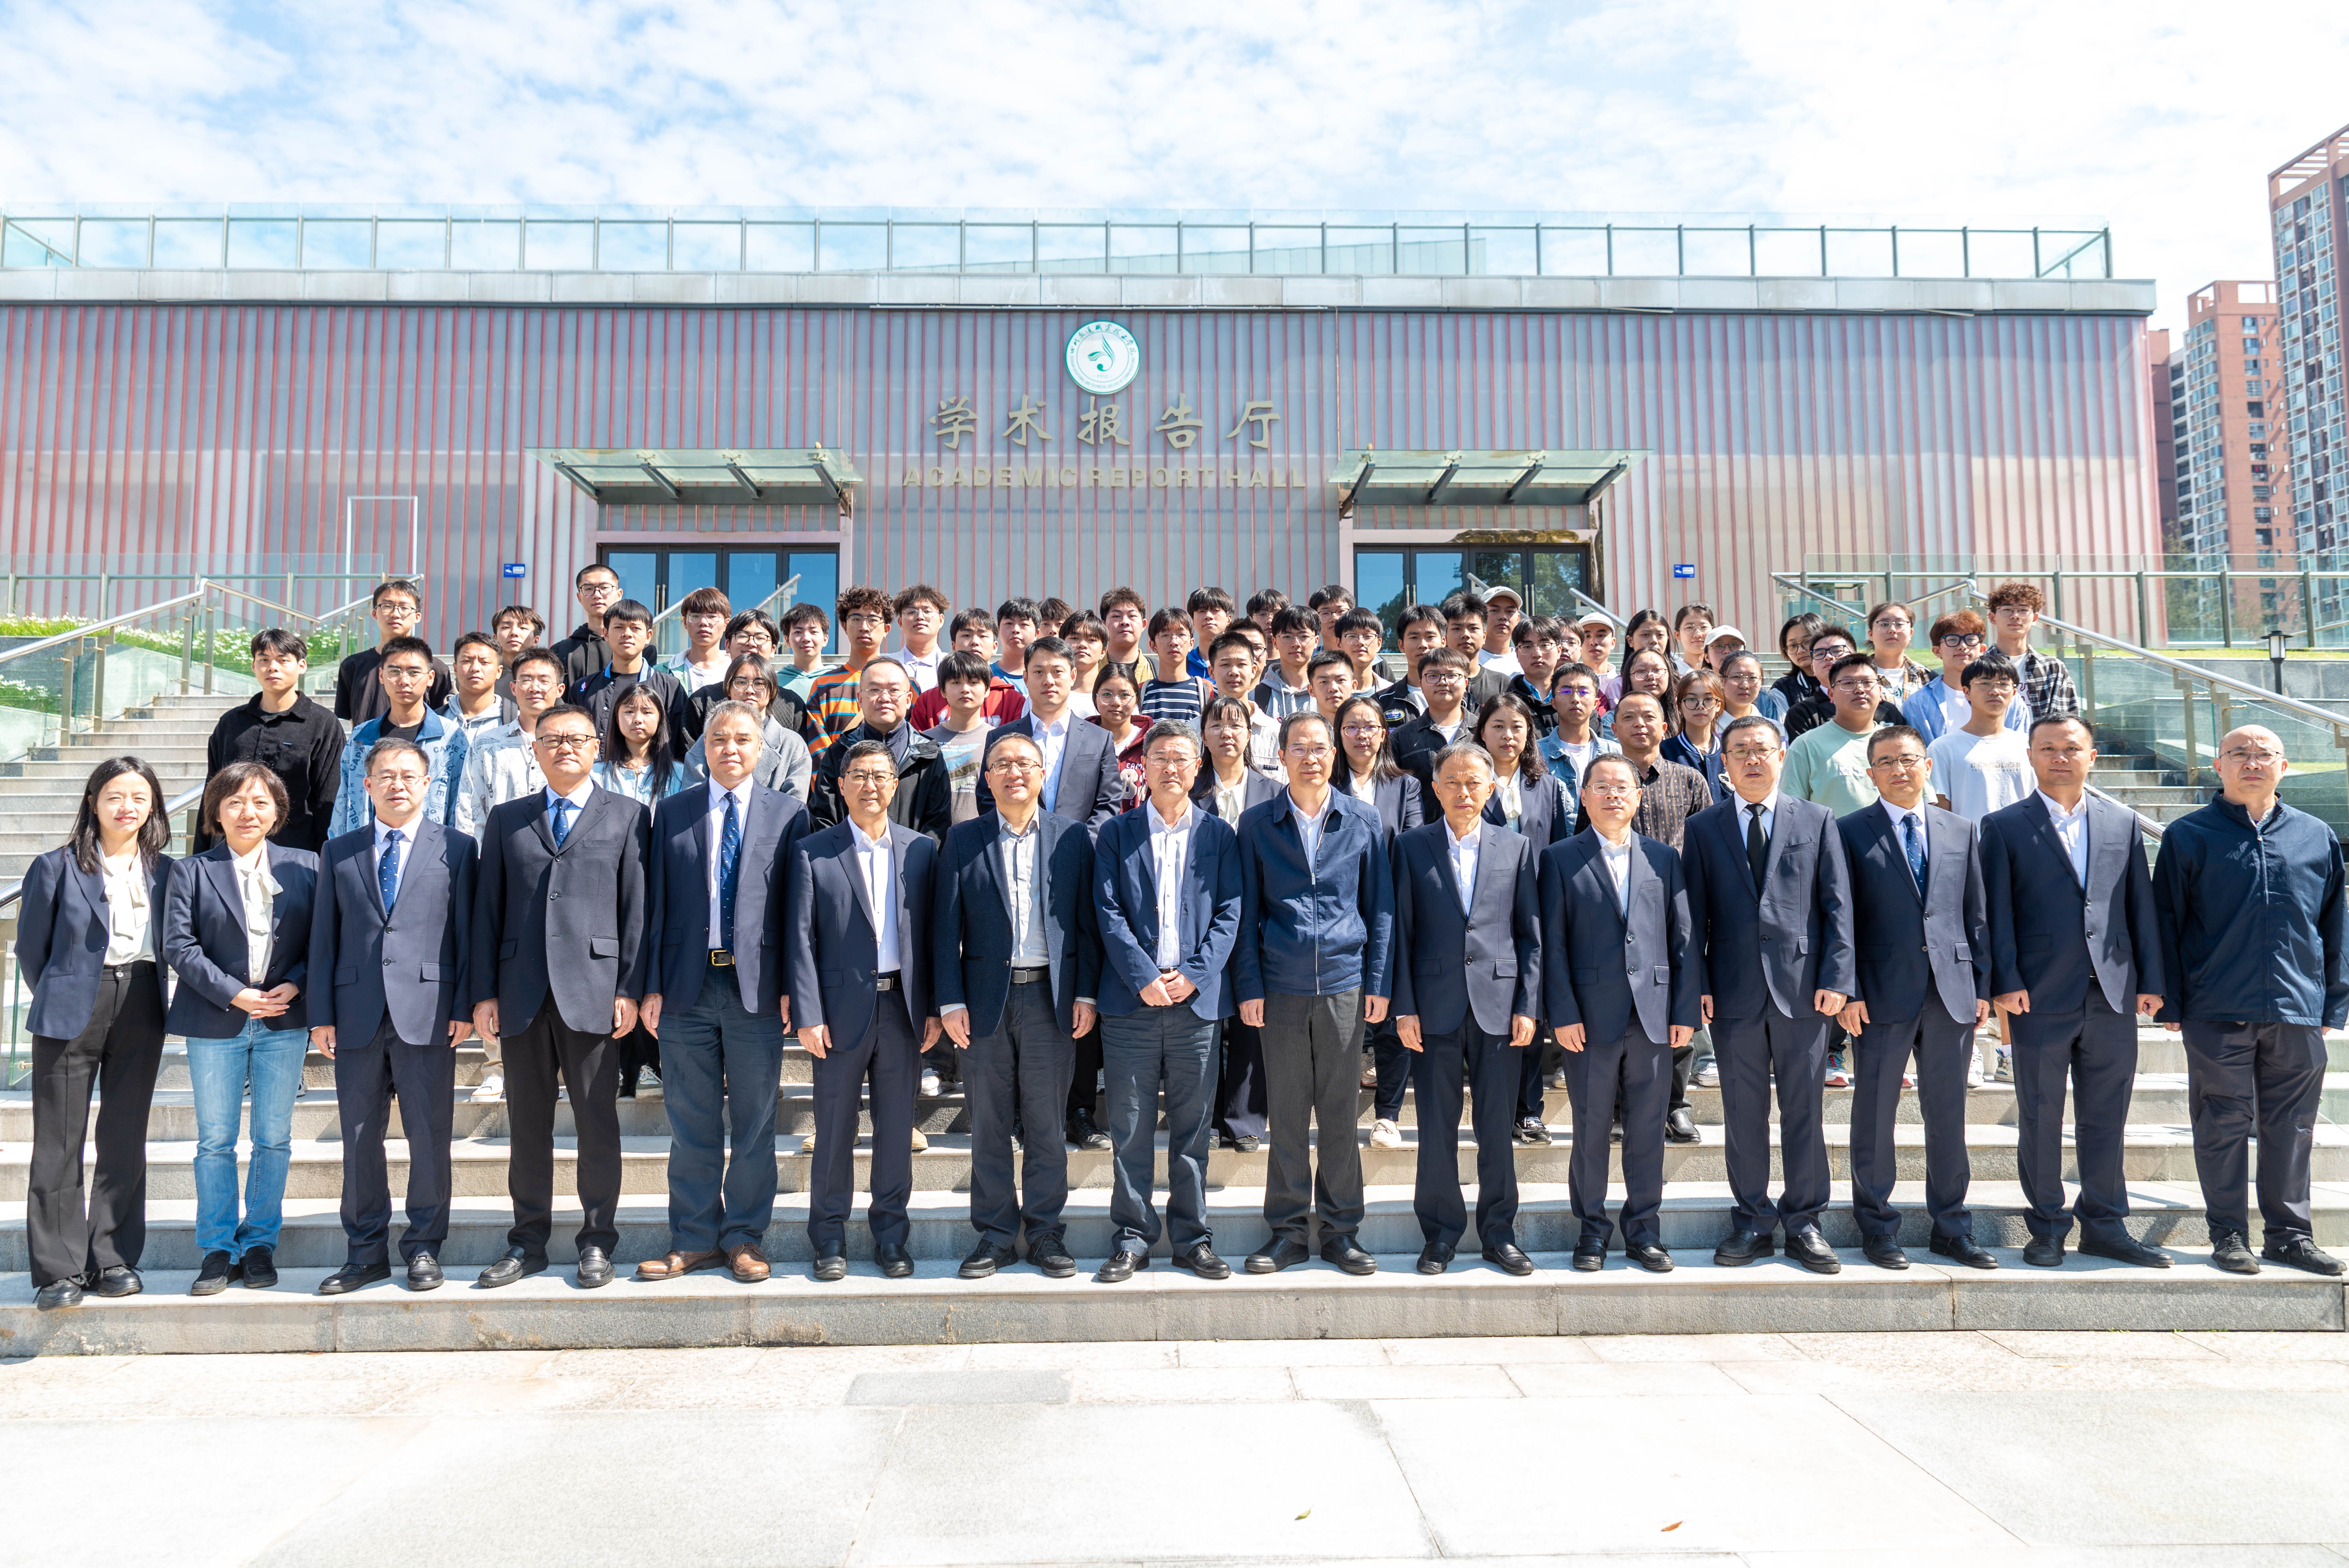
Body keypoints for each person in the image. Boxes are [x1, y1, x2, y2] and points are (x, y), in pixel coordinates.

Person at [2153, 724, 2349, 1277]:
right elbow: (2166, 922)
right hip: (2215, 1005)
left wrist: (2332, 1003)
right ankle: (2228, 1234)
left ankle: (2289, 1236)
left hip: (2296, 1005)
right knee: (2221, 1122)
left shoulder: (2315, 835)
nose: (2252, 762)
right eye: (2239, 753)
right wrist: (2171, 1001)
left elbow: (2334, 924)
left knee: (2294, 1125)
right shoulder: (2189, 835)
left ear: (2283, 766)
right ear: (2218, 765)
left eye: (2264, 754)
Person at [469, 703, 650, 1291]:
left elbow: (636, 909)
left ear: (598, 746)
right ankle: (527, 1242)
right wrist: (484, 993)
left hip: (594, 993)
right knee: (527, 1126)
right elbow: (487, 909)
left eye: (576, 738)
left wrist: (628, 987)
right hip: (520, 992)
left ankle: (597, 1241)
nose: (564, 747)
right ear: (535, 750)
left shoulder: (628, 815)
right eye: (552, 739)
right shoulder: (507, 818)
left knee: (597, 1123)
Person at [1980, 715, 2170, 1269]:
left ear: (2092, 756)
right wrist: (2005, 980)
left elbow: (2139, 903)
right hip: (2037, 994)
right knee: (2040, 1114)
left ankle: (2105, 1225)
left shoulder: (2121, 820)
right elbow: (1995, 911)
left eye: (2071, 747)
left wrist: (2151, 980)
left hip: (2112, 991)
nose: (2059, 757)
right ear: (2030, 756)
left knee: (2107, 1116)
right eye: (2047, 748)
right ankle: (2046, 1227)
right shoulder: (2003, 826)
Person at [636, 701, 811, 1284]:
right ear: (703, 748)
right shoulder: (673, 811)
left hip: (755, 989)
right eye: (718, 739)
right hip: (685, 987)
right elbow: (655, 906)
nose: (730, 748)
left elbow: (797, 911)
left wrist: (792, 987)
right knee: (691, 1121)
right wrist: (651, 984)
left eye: (742, 739)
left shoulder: (789, 814)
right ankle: (692, 1238)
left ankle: (743, 1237)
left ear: (761, 748)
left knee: (755, 1121)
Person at [1682, 715, 1854, 1273]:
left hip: (1803, 991)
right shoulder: (1703, 827)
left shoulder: (1817, 818)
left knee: (1804, 1110)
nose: (1751, 759)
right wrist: (1698, 984)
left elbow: (1837, 904)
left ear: (1782, 756)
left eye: (1761, 749)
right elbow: (1691, 917)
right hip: (1732, 991)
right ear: (1724, 762)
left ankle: (1804, 1222)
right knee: (1742, 1113)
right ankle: (1752, 1219)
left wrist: (1836, 977)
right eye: (1739, 751)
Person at [308, 737, 477, 1293]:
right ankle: (364, 1252)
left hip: (429, 1011)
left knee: (429, 1135)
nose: (397, 784)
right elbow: (324, 937)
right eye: (385, 775)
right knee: (359, 1138)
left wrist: (463, 1005)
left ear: (428, 784)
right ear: (367, 785)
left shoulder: (457, 847)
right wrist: (321, 1013)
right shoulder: (340, 850)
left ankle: (424, 1245)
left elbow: (466, 934)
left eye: (408, 775)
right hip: (355, 1011)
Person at [1234, 711, 1394, 1276]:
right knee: (1285, 1113)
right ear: (1280, 755)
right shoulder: (1257, 823)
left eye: (1320, 747)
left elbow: (1380, 907)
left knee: (1339, 1114)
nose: (1310, 757)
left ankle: (1341, 1231)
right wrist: (1249, 984)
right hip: (1280, 985)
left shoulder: (1363, 819)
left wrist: (1378, 982)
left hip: (1346, 984)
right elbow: (1244, 910)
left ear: (1334, 753)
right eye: (1298, 747)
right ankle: (1286, 1232)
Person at [935, 733, 1101, 1281]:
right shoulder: (963, 839)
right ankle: (996, 1234)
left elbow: (1086, 924)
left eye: (1025, 763)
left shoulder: (1072, 837)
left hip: (1051, 998)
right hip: (985, 1000)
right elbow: (945, 927)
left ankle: (1047, 1231)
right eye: (1002, 764)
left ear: (1042, 773)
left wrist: (1085, 993)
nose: (1014, 772)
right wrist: (950, 999)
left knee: (1047, 1122)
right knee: (988, 1122)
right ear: (987, 777)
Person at [1835, 727, 1998, 1271]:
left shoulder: (1961, 829)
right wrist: (1850, 989)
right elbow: (1841, 917)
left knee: (1948, 1114)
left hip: (1951, 992)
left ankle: (1952, 1228)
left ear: (1927, 766)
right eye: (1886, 762)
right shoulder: (1847, 831)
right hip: (1880, 993)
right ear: (1870, 773)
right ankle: (1877, 1227)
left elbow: (1976, 913)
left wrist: (1981, 986)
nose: (1899, 769)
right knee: (1874, 1113)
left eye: (1908, 759)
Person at [1089, 721, 1243, 1281]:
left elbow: (1230, 911)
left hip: (1194, 1006)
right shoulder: (1117, 832)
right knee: (1129, 1128)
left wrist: (1195, 975)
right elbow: (1107, 911)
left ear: (1197, 766)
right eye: (1160, 757)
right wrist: (1142, 976)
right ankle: (1132, 1237)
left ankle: (1192, 1239)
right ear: (1143, 767)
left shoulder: (1219, 835)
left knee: (1192, 1129)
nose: (1170, 767)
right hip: (1131, 1005)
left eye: (1181, 757)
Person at [784, 737, 942, 1281]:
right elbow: (800, 938)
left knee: (896, 1129)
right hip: (837, 1011)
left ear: (895, 786)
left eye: (880, 776)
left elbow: (933, 935)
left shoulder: (920, 850)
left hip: (902, 1007)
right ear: (841, 785)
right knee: (833, 1128)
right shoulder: (813, 850)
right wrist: (807, 1012)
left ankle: (891, 1235)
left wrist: (934, 1007)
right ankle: (829, 1236)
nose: (870, 785)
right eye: (859, 775)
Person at [20, 759, 174, 1310]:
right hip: (70, 1009)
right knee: (59, 1140)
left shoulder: (167, 870)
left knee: (124, 1135)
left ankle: (113, 1256)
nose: (126, 806)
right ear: (93, 801)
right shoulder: (55, 866)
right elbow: (32, 950)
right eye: (114, 795)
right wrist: (66, 991)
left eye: (138, 796)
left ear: (153, 805)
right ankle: (58, 1268)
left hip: (142, 1001)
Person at [161, 763, 319, 1295]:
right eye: (234, 802)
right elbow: (179, 945)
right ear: (216, 811)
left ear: (277, 812)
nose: (247, 812)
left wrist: (295, 984)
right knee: (215, 1141)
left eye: (259, 802)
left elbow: (323, 940)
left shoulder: (306, 866)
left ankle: (259, 1244)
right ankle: (217, 1247)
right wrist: (234, 991)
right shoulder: (191, 871)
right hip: (215, 1019)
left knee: (273, 1138)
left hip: (283, 1019)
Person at [1541, 752, 1699, 1273]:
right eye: (1601, 786)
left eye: (1622, 787)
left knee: (1647, 1128)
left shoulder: (1663, 857)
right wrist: (1562, 1013)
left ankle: (1644, 1231)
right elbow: (1552, 945)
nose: (1613, 794)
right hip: (1588, 1019)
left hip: (1653, 1015)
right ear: (1584, 797)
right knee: (1590, 1129)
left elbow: (1682, 939)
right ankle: (1591, 1231)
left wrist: (1683, 1011)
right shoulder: (1559, 858)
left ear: (1638, 796)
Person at [1390, 741, 1542, 1275]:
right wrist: (1404, 1007)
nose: (1463, 791)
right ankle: (1439, 1235)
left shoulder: (1516, 847)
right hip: (1432, 1006)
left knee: (1497, 1126)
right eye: (1451, 782)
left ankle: (1499, 1233)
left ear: (1491, 787)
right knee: (1436, 1126)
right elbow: (1400, 932)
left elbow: (1530, 934)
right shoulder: (1410, 847)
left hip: (1499, 1006)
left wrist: (1528, 1004)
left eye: (1473, 781)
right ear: (1435, 789)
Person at [1334, 693, 1424, 1156]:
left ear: (1383, 733)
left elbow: (1411, 844)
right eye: (1351, 726)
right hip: (1336, 912)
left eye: (1369, 726)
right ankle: (1335, 1113)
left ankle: (1387, 1114)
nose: (1361, 734)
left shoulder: (1404, 786)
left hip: (1391, 911)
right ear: (1338, 733)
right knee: (1341, 1016)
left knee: (1391, 1014)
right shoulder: (1324, 783)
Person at [199, 627, 342, 853]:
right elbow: (212, 793)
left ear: (302, 666)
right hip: (230, 851)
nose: (272, 667)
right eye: (264, 660)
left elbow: (329, 798)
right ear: (254, 666)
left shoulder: (323, 724)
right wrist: (202, 854)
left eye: (283, 660)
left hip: (295, 852)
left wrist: (324, 860)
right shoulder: (231, 723)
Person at [975, 635, 1125, 831]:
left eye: (1057, 672)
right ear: (1026, 678)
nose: (1048, 681)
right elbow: (987, 798)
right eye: (1039, 672)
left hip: (1081, 845)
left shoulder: (1099, 739)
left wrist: (1083, 842)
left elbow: (1108, 802)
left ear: (1073, 676)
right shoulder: (1000, 738)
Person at [329, 635, 467, 838]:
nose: (404, 681)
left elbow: (461, 802)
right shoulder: (361, 737)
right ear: (381, 676)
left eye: (414, 672)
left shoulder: (451, 736)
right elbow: (344, 801)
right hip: (367, 848)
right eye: (394, 672)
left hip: (432, 849)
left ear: (430, 678)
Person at [807, 658, 952, 840]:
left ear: (909, 700)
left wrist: (915, 856)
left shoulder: (928, 754)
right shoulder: (840, 751)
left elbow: (938, 823)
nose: (884, 698)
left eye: (894, 690)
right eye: (874, 690)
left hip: (914, 856)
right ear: (860, 699)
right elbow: (823, 817)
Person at [451, 646, 564, 841]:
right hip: (499, 853)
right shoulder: (486, 744)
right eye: (526, 680)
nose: (535, 688)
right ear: (513, 688)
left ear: (560, 690)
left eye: (544, 680)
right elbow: (469, 810)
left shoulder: (573, 746)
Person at [680, 653, 814, 799]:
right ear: (729, 689)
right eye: (741, 682)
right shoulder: (710, 739)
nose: (750, 690)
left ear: (772, 691)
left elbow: (794, 806)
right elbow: (693, 798)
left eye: (760, 683)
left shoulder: (793, 745)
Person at [1928, 653, 2034, 822]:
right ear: (1967, 692)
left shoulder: (2029, 745)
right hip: (1971, 839)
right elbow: (1940, 816)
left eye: (2004, 684)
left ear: (2014, 693)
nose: (1995, 691)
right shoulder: (1942, 749)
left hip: (2023, 839)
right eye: (1985, 684)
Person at [576, 598, 690, 753]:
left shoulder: (671, 688)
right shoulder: (583, 688)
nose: (627, 634)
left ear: (649, 636)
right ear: (606, 634)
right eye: (619, 627)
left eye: (635, 628)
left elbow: (679, 745)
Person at [1781, 652, 1886, 817]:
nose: (1859, 689)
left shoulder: (1896, 744)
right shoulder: (1806, 746)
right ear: (1831, 695)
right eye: (1848, 683)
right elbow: (1790, 812)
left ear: (1880, 691)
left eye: (1867, 683)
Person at [335, 578, 453, 723]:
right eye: (387, 606)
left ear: (417, 617)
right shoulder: (352, 666)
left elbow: (441, 718)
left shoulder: (436, 669)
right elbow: (353, 720)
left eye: (404, 608)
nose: (395, 614)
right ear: (375, 613)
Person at [1902, 610, 2028, 743]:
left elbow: (2021, 747)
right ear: (1937, 651)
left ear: (1982, 649)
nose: (1962, 646)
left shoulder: (2007, 697)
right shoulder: (1919, 703)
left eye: (1970, 639)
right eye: (1952, 640)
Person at [805, 586, 896, 756]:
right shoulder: (824, 687)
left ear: (886, 629)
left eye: (873, 620)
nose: (864, 627)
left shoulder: (903, 685)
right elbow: (818, 752)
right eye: (856, 619)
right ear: (845, 626)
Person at [908, 610, 1027, 730]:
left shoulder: (1012, 700)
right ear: (953, 646)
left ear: (995, 647)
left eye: (983, 636)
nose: (975, 642)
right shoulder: (928, 701)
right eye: (966, 636)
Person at [1985, 580, 2080, 723]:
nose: (2015, 616)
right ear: (1993, 618)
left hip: (2042, 738)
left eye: (2023, 610)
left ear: (2035, 618)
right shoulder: (1978, 667)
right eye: (2007, 610)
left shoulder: (2053, 668)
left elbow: (2068, 720)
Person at [925, 650, 1001, 825]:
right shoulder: (925, 741)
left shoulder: (998, 741)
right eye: (956, 682)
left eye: (973, 682)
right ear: (943, 690)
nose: (965, 689)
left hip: (983, 834)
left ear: (987, 690)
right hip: (933, 836)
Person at [590, 682, 687, 808]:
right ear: (617, 718)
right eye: (629, 711)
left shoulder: (679, 774)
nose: (638, 719)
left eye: (647, 712)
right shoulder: (596, 774)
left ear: (660, 718)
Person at [1390, 648, 1476, 787]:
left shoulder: (1483, 731)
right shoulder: (1402, 737)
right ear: (1421, 685)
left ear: (1466, 684)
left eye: (1452, 675)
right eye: (1433, 676)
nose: (1442, 682)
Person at [1539, 662, 1620, 798]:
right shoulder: (1536, 754)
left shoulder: (1615, 753)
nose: (1575, 699)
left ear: (1596, 703)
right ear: (1554, 703)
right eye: (1566, 692)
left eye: (1584, 692)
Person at [1372, 604, 1452, 726]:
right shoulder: (1381, 702)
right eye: (1414, 638)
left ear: (1443, 642)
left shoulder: (1462, 698)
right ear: (1401, 646)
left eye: (1430, 637)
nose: (1423, 645)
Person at [1087, 665, 1152, 811]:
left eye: (1124, 695)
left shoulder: (1151, 744)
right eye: (1107, 695)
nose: (1116, 702)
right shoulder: (1081, 741)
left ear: (1136, 699)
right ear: (1095, 698)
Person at [1139, 606, 1212, 727]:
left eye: (1181, 634)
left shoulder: (1207, 693)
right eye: (1165, 635)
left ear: (1191, 644)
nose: (1174, 642)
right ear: (1153, 646)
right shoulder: (1141, 694)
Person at [552, 561, 620, 689]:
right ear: (579, 598)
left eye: (605, 588)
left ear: (619, 595)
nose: (597, 595)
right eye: (589, 589)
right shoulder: (561, 651)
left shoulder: (633, 647)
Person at [442, 630, 517, 743]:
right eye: (466, 661)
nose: (475, 668)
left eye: (485, 662)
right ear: (455, 669)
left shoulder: (516, 722)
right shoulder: (436, 720)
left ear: (499, 671)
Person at [1661, 668, 1725, 795]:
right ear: (1680, 706)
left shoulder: (1729, 749)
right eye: (1691, 700)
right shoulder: (1665, 751)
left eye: (1709, 699)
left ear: (1718, 705)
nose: (1700, 706)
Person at [664, 586, 734, 694]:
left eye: (712, 617)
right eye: (696, 616)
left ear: (726, 623)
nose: (703, 622)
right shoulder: (664, 672)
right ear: (685, 622)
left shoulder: (738, 670)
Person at [1862, 600, 1933, 705]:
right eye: (1884, 624)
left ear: (1911, 634)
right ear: (1871, 634)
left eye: (1900, 624)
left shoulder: (1927, 676)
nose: (1892, 630)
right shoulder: (1857, 674)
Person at [1254, 606, 1318, 718]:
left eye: (1304, 636)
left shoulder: (1328, 691)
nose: (1296, 644)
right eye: (1287, 637)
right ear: (1275, 642)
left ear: (1316, 641)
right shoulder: (1256, 697)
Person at [1508, 615, 1565, 735]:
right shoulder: (1506, 703)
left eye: (1544, 645)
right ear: (1517, 654)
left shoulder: (1576, 698)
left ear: (1559, 651)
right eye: (1528, 647)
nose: (1537, 654)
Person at [1600, 647, 1675, 739]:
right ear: (1629, 678)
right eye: (1641, 671)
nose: (1651, 677)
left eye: (1658, 670)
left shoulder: (1684, 714)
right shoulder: (1611, 720)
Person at [890, 584, 949, 693]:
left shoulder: (955, 666)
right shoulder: (884, 664)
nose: (920, 617)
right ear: (900, 622)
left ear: (941, 620)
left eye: (927, 612)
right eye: (912, 612)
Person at [1715, 649, 1787, 737]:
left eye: (1752, 678)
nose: (1745, 685)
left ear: (1761, 681)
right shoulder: (1708, 728)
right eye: (1736, 677)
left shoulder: (1776, 730)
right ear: (1722, 681)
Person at [774, 602, 830, 702]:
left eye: (813, 632)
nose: (806, 639)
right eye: (798, 632)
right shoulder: (775, 683)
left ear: (825, 640)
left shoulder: (838, 680)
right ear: (787, 641)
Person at [1773, 613, 1825, 719]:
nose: (1800, 651)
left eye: (1807, 642)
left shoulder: (1845, 680)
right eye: (1793, 646)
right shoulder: (1783, 688)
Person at [1060, 611, 1111, 712]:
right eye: (1075, 638)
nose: (1082, 645)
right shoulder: (1048, 692)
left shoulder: (1115, 695)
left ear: (1103, 652)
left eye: (1092, 640)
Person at [1098, 585, 1149, 681]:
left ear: (1144, 625)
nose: (1125, 622)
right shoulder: (1091, 671)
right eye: (1116, 616)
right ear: (1103, 626)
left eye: (1132, 616)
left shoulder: (1158, 671)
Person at [1185, 586, 1236, 680]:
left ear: (1229, 619)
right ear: (1192, 621)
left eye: (1215, 610)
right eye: (1202, 611)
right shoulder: (1183, 663)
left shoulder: (1241, 661)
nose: (1208, 616)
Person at [1333, 606, 1386, 692]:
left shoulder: (1392, 693)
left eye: (1368, 636)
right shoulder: (1326, 692)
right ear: (1339, 643)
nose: (1360, 642)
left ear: (1379, 644)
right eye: (1352, 636)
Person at [1477, 584, 1525, 677]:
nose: (1503, 617)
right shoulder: (1469, 660)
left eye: (1510, 611)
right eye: (1495, 610)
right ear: (1480, 616)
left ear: (1518, 618)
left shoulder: (1526, 661)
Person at [1578, 612, 1621, 703]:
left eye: (1601, 635)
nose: (1594, 642)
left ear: (1613, 643)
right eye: (1587, 636)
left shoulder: (1623, 684)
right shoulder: (1569, 684)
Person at [1670, 602, 1715, 676]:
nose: (1698, 634)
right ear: (1678, 635)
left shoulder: (1722, 670)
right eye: (1690, 628)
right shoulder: (1672, 673)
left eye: (1704, 627)